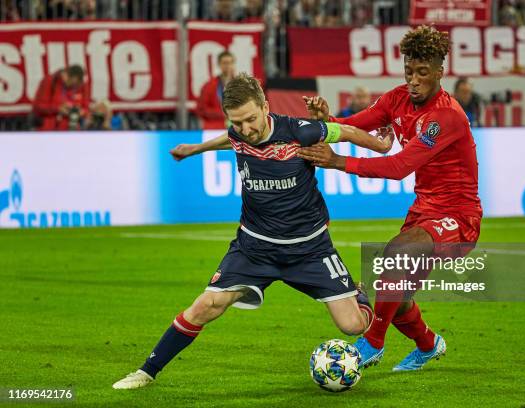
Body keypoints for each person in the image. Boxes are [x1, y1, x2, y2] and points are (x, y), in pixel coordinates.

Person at [112, 73, 394, 390]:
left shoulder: (299, 131)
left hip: (310, 249)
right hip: (254, 248)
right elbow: (228, 137)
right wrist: (196, 149)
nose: (246, 129)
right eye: (237, 122)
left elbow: (347, 131)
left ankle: (361, 296)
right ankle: (146, 371)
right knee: (206, 305)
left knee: (352, 325)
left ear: (265, 106)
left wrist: (381, 146)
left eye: (250, 119)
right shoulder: (238, 133)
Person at [300, 25, 482, 372]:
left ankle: (371, 343)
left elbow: (399, 166)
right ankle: (428, 345)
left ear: (440, 73)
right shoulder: (397, 98)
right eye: (408, 71)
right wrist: (328, 121)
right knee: (392, 290)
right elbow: (355, 124)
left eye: (422, 73)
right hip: (423, 212)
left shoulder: (446, 117)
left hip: (459, 218)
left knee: (395, 255)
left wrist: (337, 162)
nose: (413, 80)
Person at [32, 65, 90, 131]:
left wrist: (81, 112)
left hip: (73, 130)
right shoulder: (50, 81)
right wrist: (58, 108)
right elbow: (38, 107)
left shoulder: (81, 86)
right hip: (48, 130)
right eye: (73, 83)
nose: (74, 86)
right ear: (67, 75)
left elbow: (86, 108)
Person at [195, 51, 236, 130]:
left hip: (237, 126)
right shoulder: (209, 86)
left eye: (230, 62)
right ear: (219, 64)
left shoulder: (241, 85)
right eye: (225, 63)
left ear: (234, 64)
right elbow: (201, 109)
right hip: (215, 128)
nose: (228, 66)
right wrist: (221, 113)